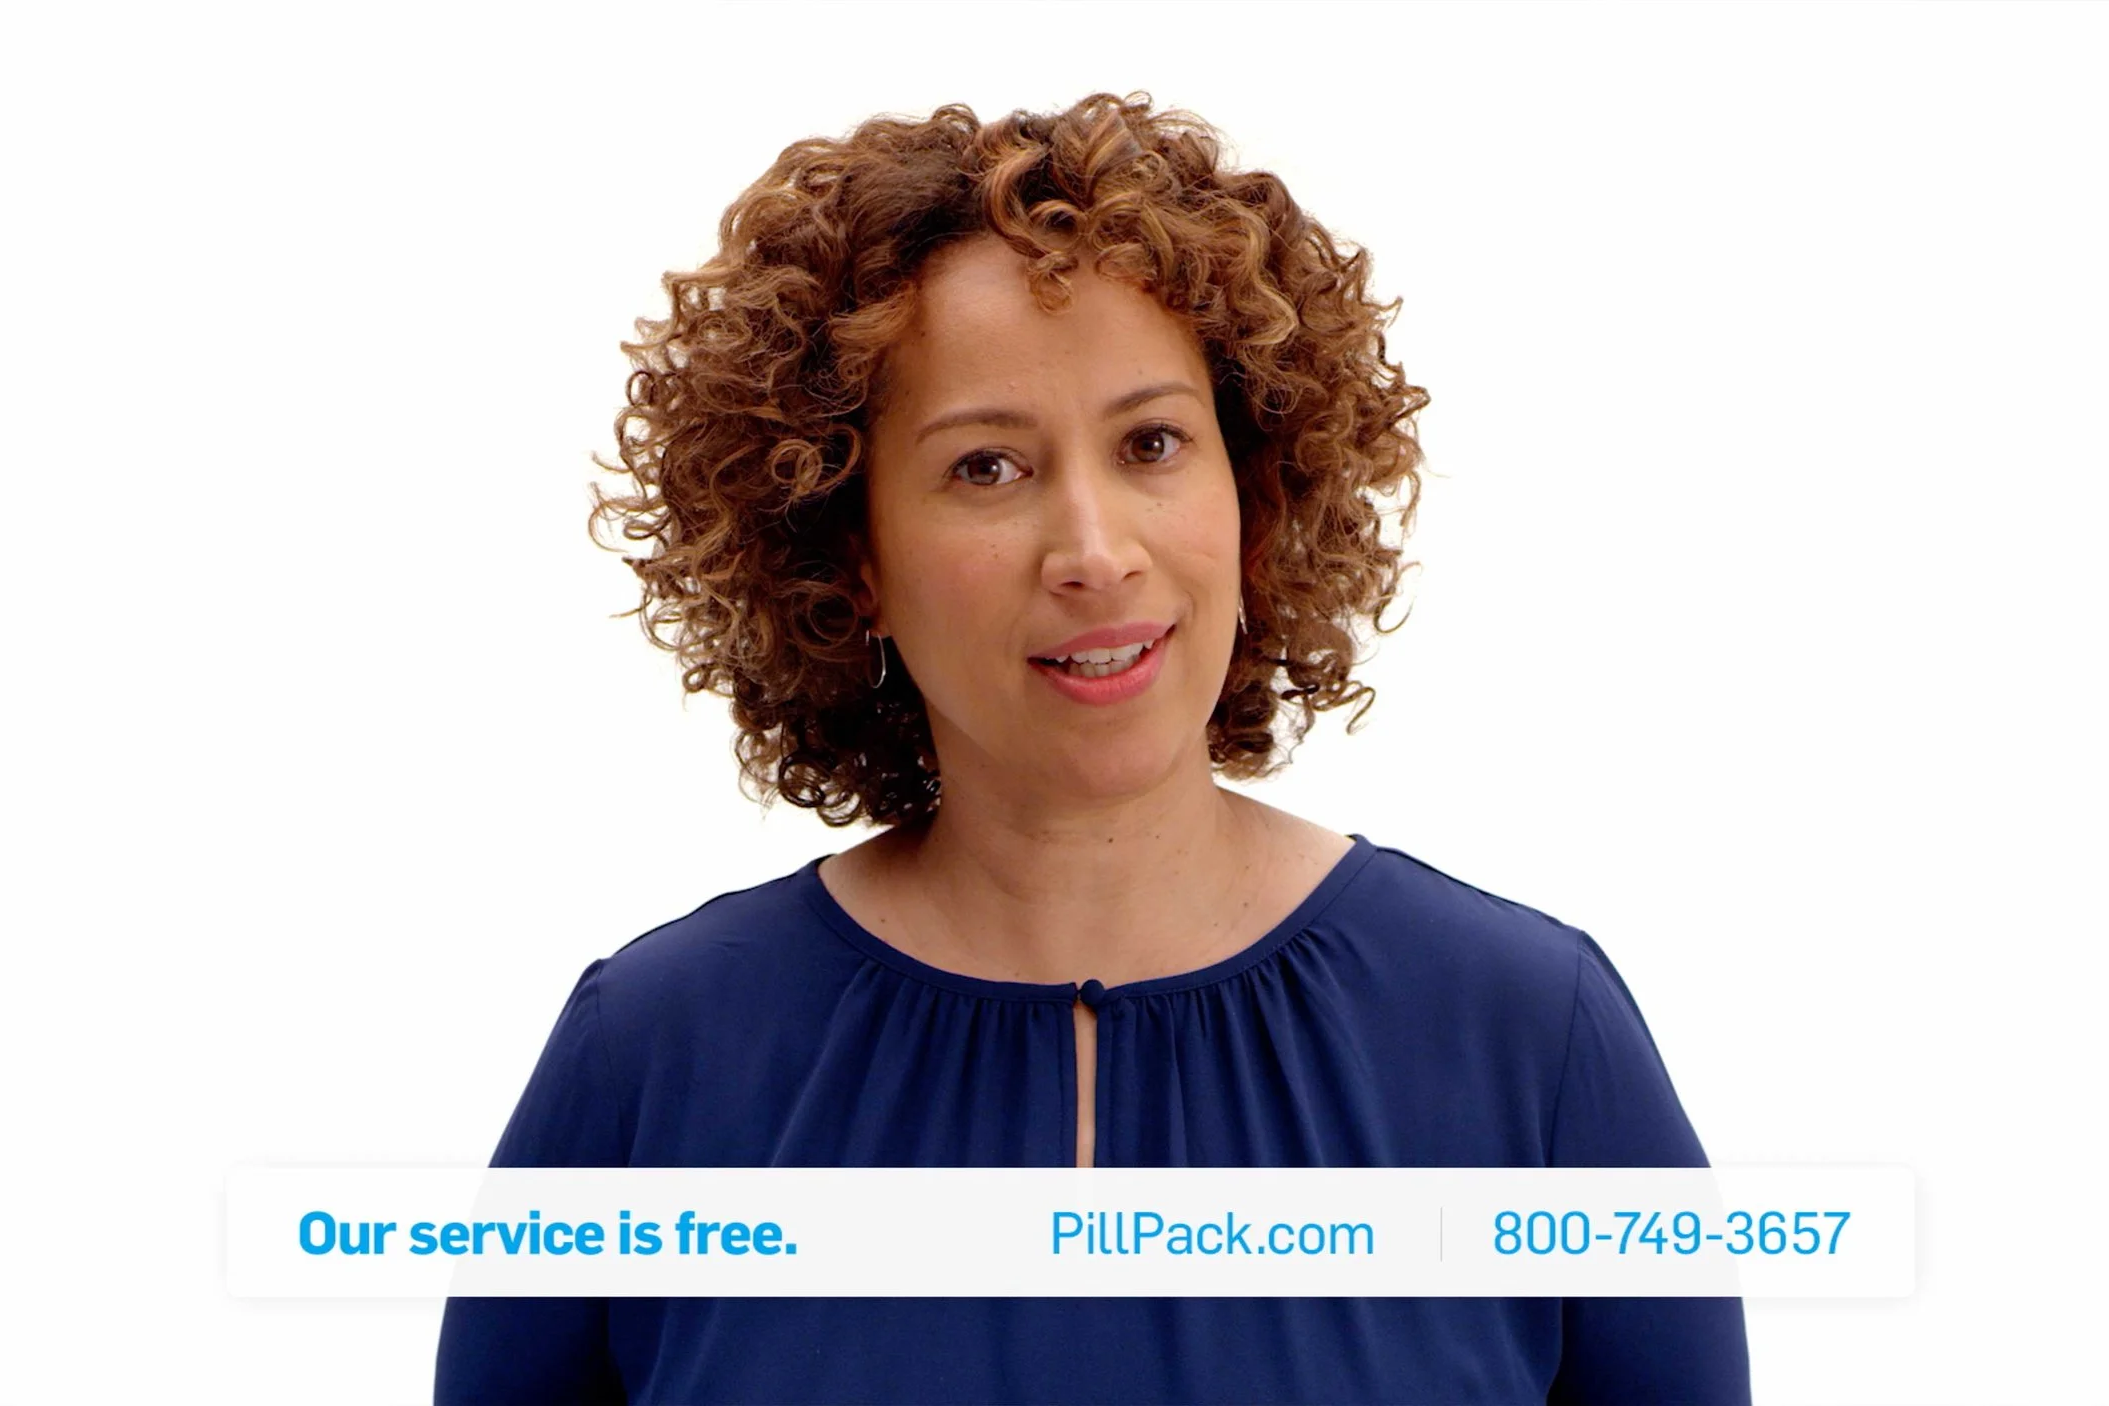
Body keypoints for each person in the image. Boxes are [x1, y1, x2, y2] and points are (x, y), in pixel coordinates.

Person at [434, 91, 1749, 1404]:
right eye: (986, 470)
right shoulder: (654, 1061)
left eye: (1152, 444)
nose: (1095, 550)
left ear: (1254, 492)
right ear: (851, 553)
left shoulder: (1530, 1038)